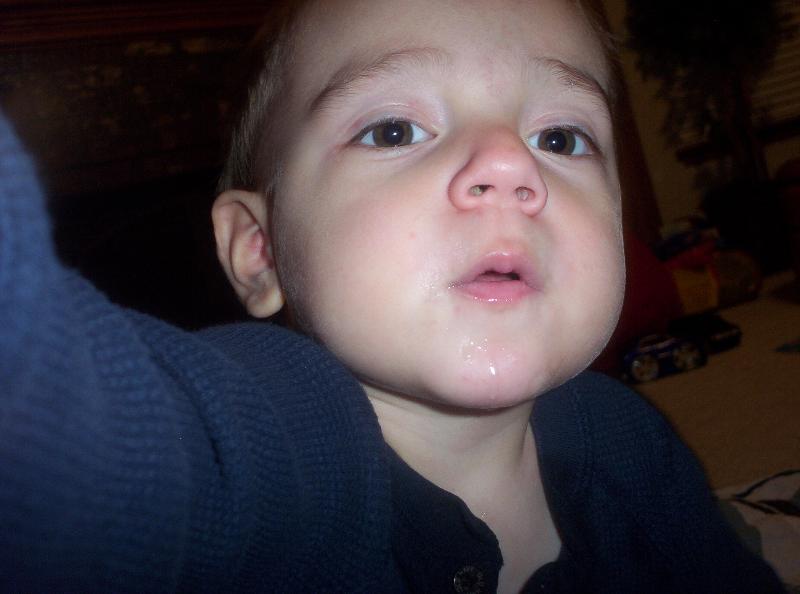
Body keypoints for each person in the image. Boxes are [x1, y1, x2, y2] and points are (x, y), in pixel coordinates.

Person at [0, 0, 785, 592]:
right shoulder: (259, 450)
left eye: (561, 138)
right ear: (261, 251)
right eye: (393, 131)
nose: (509, 164)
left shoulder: (629, 440)